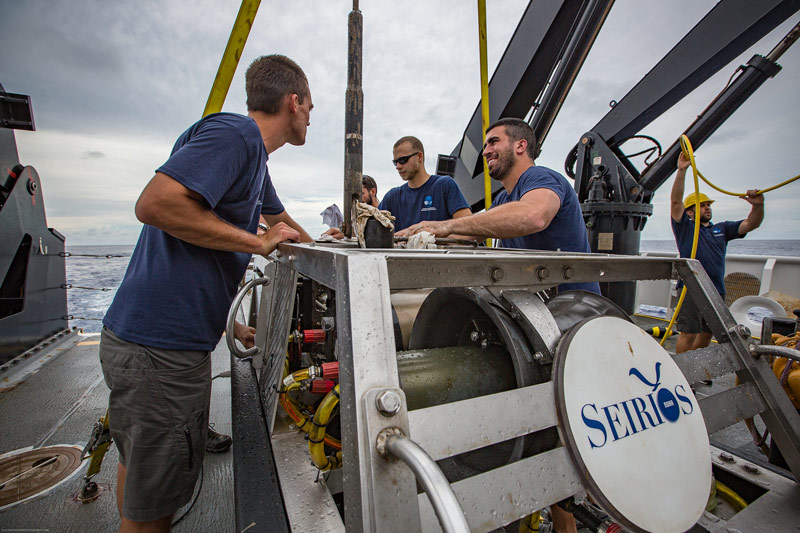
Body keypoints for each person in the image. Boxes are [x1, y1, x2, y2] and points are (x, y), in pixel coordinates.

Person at [99, 54, 312, 531]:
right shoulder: (234, 135)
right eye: (310, 107)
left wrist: (332, 249)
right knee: (153, 508)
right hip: (159, 353)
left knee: (141, 479)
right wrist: (257, 243)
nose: (310, 118)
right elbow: (155, 204)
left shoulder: (254, 159)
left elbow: (282, 224)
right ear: (292, 102)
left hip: (147, 340)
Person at [404, 118, 600, 295]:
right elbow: (470, 234)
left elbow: (534, 216)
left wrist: (446, 226)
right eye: (485, 145)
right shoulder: (503, 199)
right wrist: (414, 238)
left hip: (573, 309)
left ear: (520, 146)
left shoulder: (541, 177)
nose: (486, 151)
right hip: (536, 309)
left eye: (494, 142)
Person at [670, 152, 764, 354]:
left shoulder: (722, 229)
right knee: (689, 333)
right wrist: (682, 170)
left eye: (708, 205)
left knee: (707, 333)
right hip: (691, 288)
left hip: (716, 290)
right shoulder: (686, 229)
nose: (707, 208)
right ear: (690, 211)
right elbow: (676, 202)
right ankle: (683, 376)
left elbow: (751, 224)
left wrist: (758, 206)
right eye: (702, 205)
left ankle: (696, 368)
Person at [380, 135, 471, 234]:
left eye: (403, 160)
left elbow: (469, 229)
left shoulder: (444, 185)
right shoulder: (392, 197)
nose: (398, 166)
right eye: (395, 162)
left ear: (419, 156)